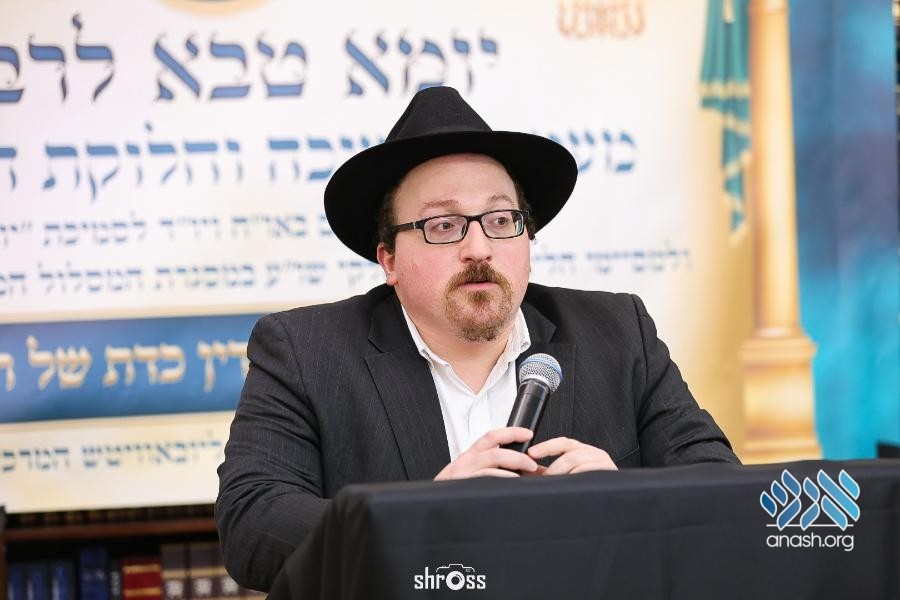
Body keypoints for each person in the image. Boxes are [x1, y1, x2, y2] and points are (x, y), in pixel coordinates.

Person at [215, 86, 739, 592]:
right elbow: (253, 526)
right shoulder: (305, 351)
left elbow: (723, 492)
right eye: (444, 225)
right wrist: (426, 518)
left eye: (501, 219)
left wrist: (630, 502)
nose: (479, 247)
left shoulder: (617, 332)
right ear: (389, 259)